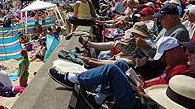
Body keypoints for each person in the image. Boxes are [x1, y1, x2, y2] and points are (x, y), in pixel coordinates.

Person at [48, 36, 192, 108]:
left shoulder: (180, 73)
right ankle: (99, 97)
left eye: (191, 52)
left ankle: (74, 79)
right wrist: (142, 82)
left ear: (173, 52)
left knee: (112, 69)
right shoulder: (173, 66)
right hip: (143, 93)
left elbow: (163, 100)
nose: (163, 59)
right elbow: (160, 84)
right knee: (122, 64)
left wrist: (141, 91)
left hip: (140, 103)